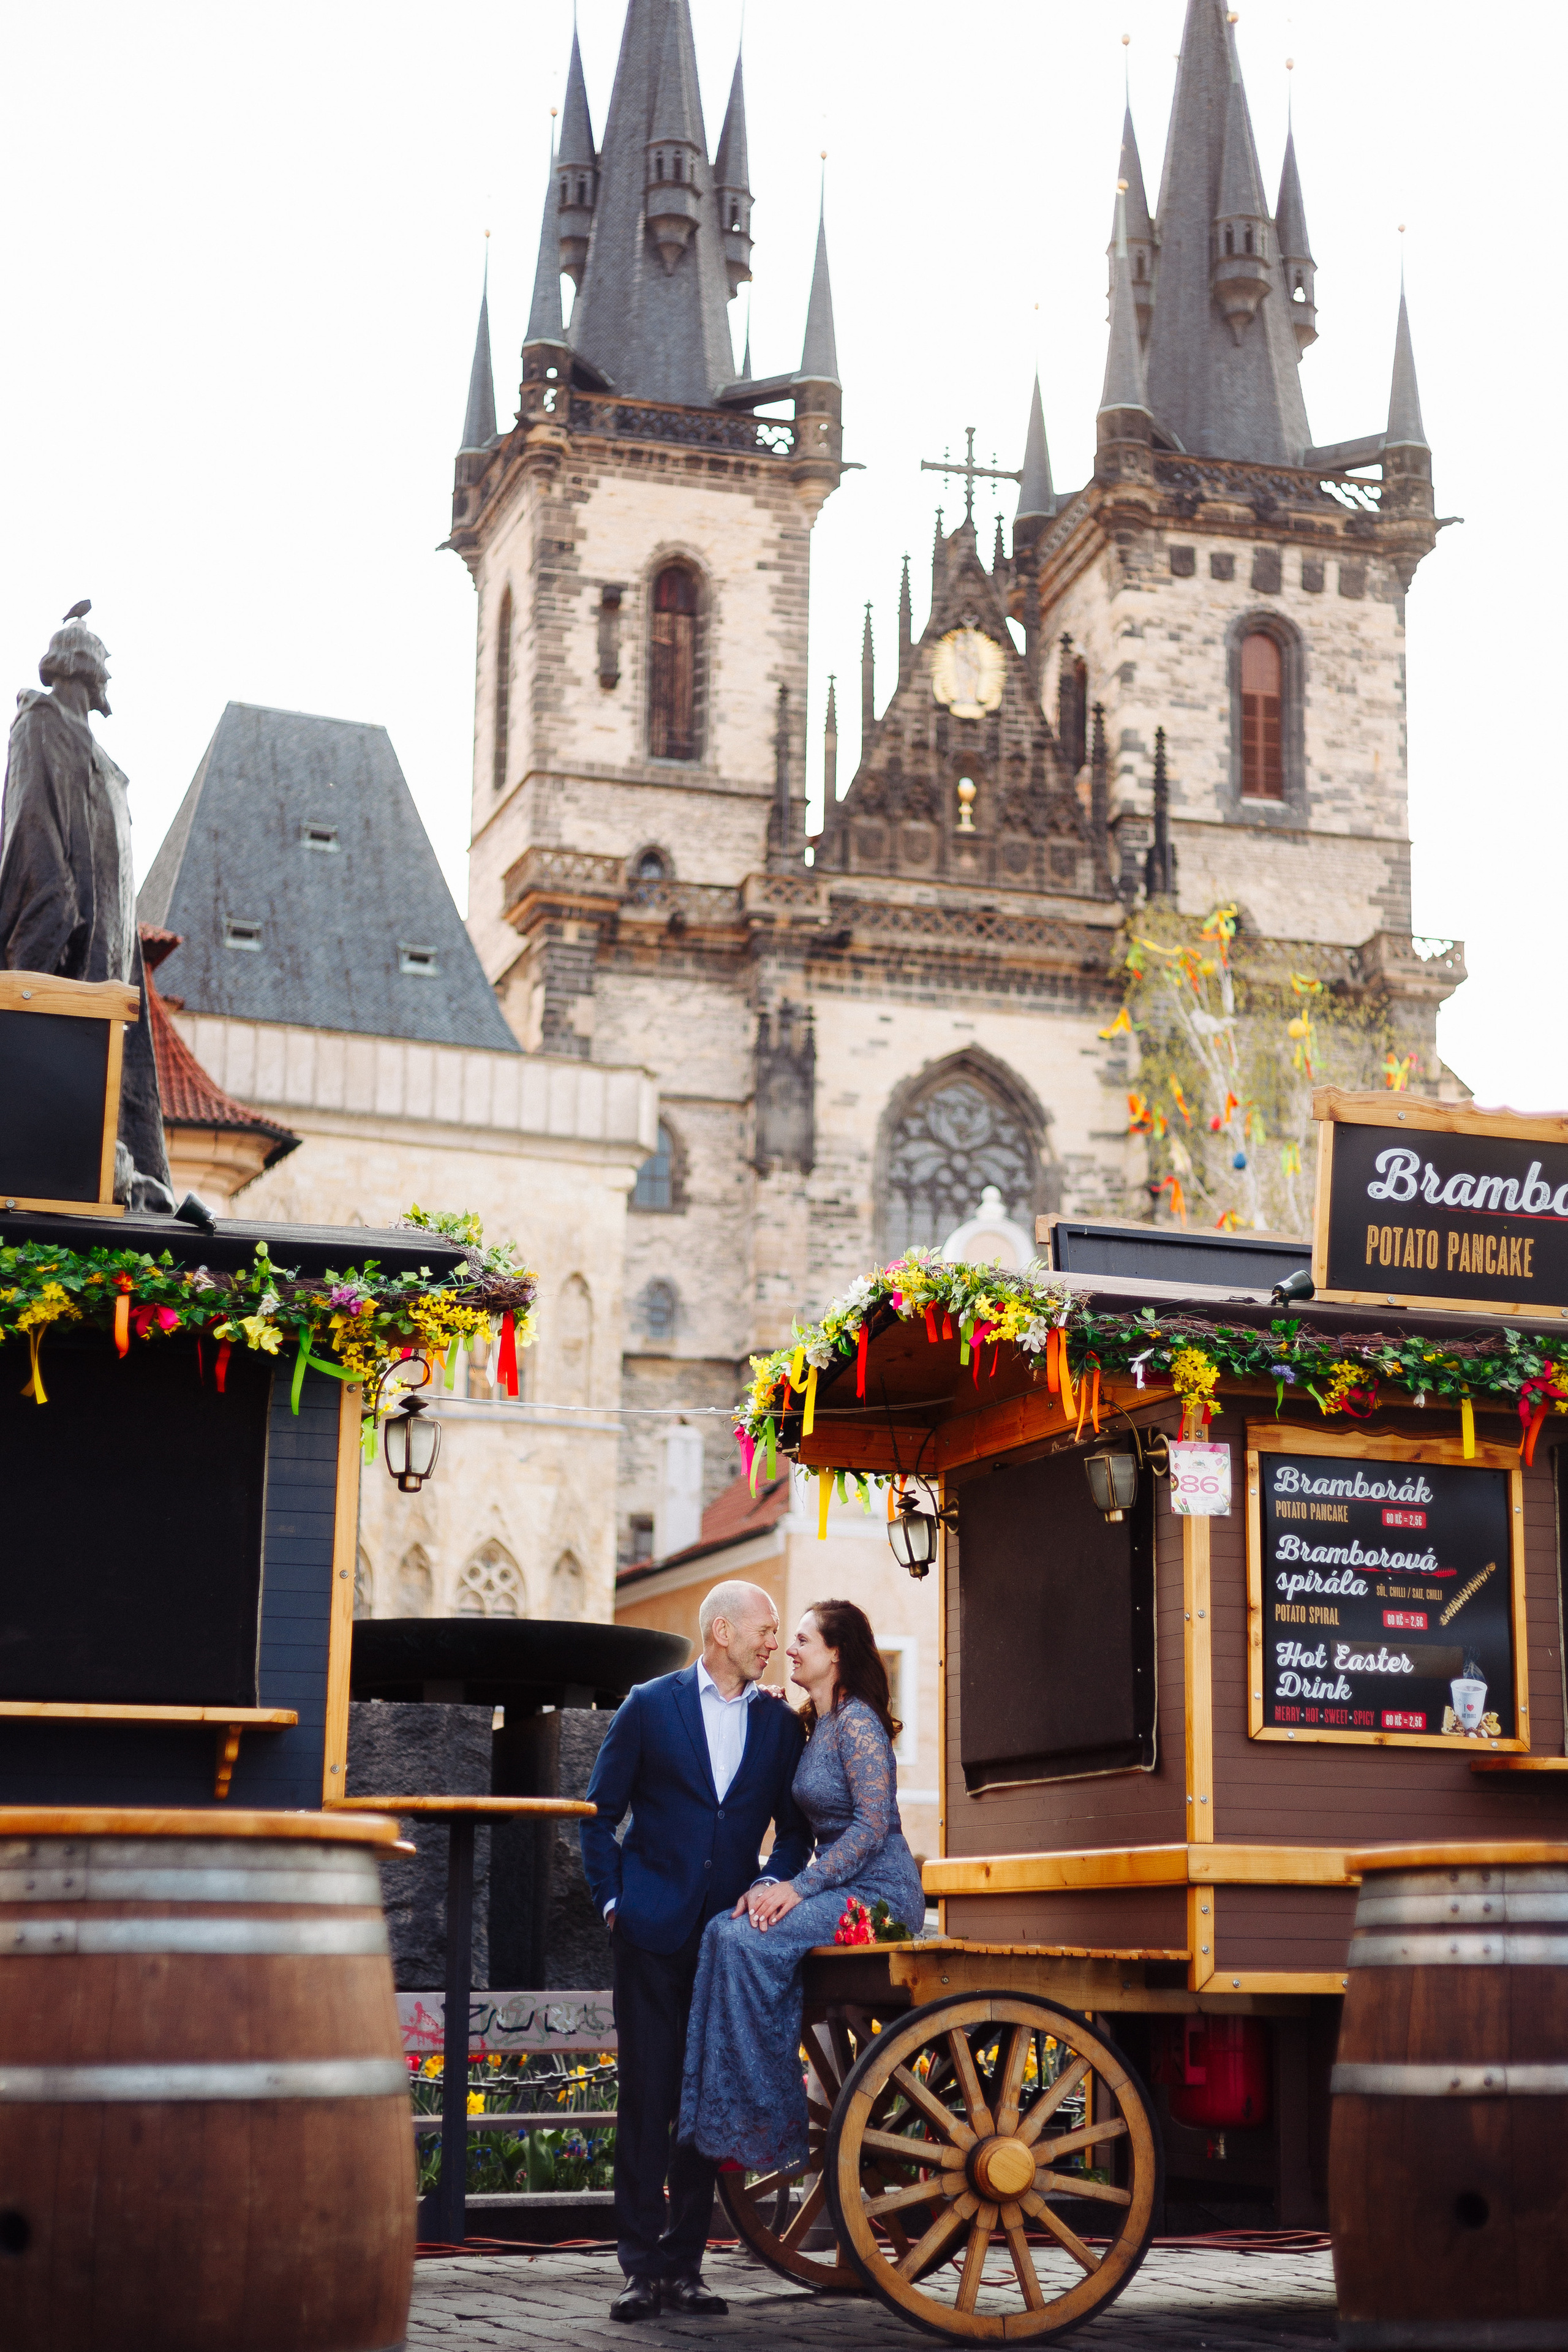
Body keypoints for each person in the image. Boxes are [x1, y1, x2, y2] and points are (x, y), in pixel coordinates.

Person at [581, 1580, 810, 2323]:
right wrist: (615, 1904)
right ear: (721, 1631)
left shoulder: (779, 1727)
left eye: (777, 1634)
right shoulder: (648, 1705)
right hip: (650, 1935)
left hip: (727, 1943)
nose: (773, 1643)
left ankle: (685, 2268)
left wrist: (772, 1883)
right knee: (647, 2101)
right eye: (765, 1631)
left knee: (704, 2102)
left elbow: (796, 1833)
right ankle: (639, 2272)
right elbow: (598, 1815)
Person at [677, 1599, 925, 2177]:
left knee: (748, 1938)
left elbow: (871, 1826)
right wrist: (772, 1708)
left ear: (835, 1653)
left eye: (803, 1641)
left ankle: (765, 2117)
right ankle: (722, 2112)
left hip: (880, 1897)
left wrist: (796, 1886)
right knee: (723, 1931)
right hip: (835, 1889)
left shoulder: (859, 1721)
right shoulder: (818, 1722)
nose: (789, 1649)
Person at [0, 608, 173, 1208]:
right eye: (104, 669)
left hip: (111, 944)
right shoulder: (40, 726)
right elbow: (32, 833)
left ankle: (118, 1164)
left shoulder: (101, 757)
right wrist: (52, 915)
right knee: (60, 1070)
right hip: (67, 934)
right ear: (83, 667)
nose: (108, 685)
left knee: (111, 1072)